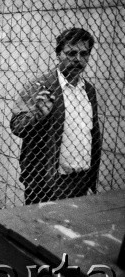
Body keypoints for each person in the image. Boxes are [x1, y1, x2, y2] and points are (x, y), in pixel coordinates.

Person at [10, 28, 102, 205]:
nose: (78, 59)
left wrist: (91, 179)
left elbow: (93, 135)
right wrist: (37, 115)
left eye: (84, 54)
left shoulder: (88, 91)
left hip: (80, 181)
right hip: (48, 182)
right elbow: (17, 126)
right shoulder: (41, 85)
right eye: (71, 53)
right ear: (59, 54)